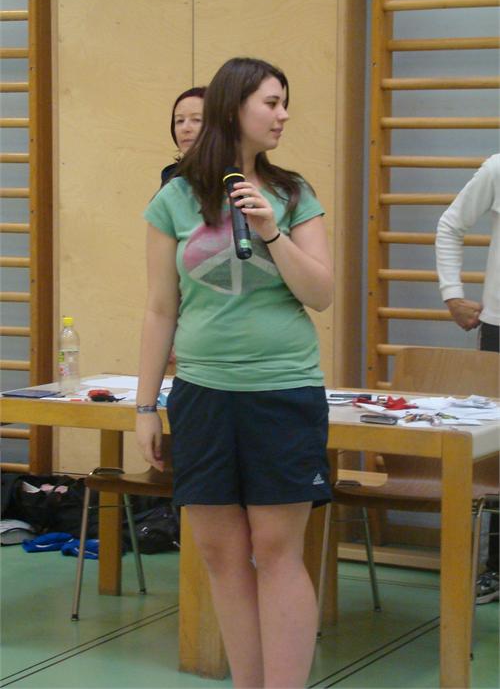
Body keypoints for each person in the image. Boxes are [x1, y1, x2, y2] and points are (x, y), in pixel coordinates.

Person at [136, 57, 333, 688]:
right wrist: (145, 407)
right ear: (234, 107)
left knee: (277, 552)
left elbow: (322, 293)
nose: (283, 115)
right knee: (222, 555)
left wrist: (273, 232)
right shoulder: (173, 199)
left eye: (284, 103)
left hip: (283, 392)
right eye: (271, 103)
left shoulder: (293, 194)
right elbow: (160, 309)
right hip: (202, 395)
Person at [436, 153, 500, 605]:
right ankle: (496, 566)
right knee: (497, 453)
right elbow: (450, 225)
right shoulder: (498, 167)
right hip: (499, 329)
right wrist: (452, 294)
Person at [160, 86, 206, 187]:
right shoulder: (172, 180)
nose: (185, 128)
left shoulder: (236, 174)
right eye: (180, 121)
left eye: (197, 119)